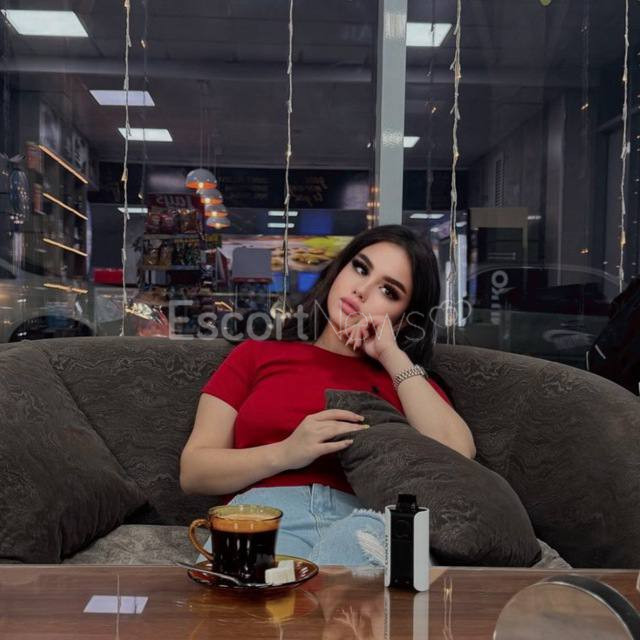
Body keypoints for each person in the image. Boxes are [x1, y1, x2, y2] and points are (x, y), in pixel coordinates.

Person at [180, 224, 476, 567]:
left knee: (361, 545)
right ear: (338, 270)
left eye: (388, 291)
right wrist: (287, 452)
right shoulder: (256, 356)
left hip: (366, 519)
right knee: (261, 587)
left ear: (403, 320)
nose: (362, 290)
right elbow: (194, 471)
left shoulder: (406, 381)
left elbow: (459, 454)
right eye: (360, 268)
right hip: (264, 515)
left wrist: (392, 355)